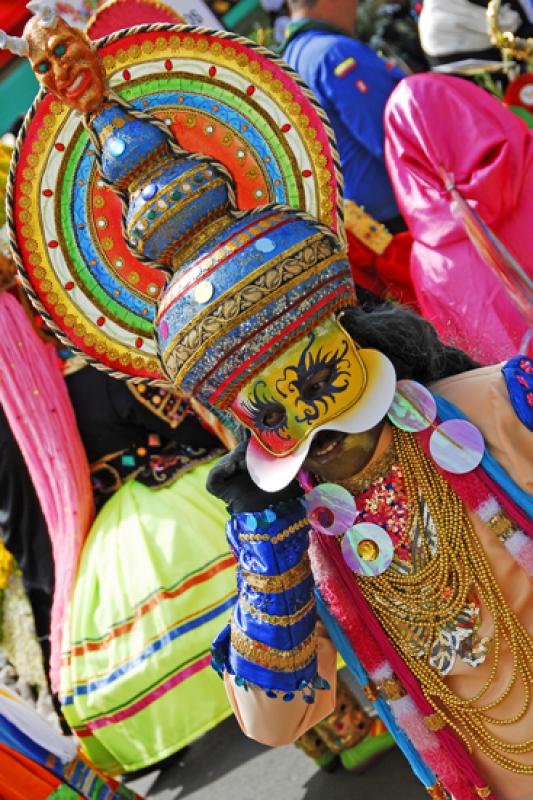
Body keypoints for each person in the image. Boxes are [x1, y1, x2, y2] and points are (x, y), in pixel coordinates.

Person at [5, 7, 532, 797]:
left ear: (336, 325)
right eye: (257, 386)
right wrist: (268, 556)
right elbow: (273, 720)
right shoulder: (300, 542)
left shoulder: (482, 408)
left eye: (303, 360)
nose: (299, 398)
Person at [280, 0, 405, 229]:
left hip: (367, 225)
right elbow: (398, 139)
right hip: (405, 216)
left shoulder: (290, 61)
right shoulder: (334, 53)